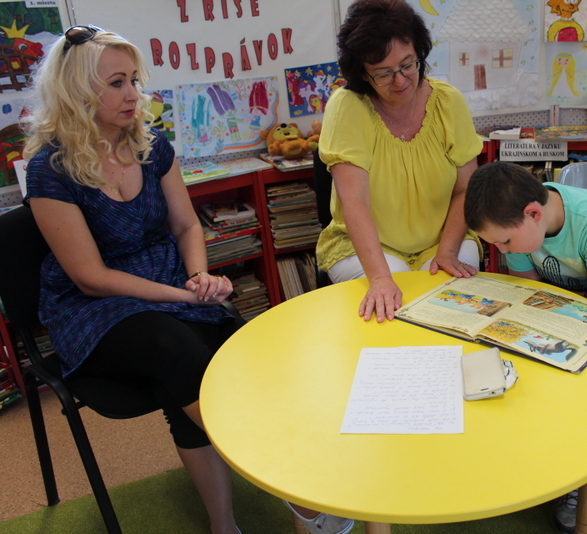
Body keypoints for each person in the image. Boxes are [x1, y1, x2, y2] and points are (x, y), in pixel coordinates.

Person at [22, 26, 352, 534]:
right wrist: (184, 293)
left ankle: (225, 524)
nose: (134, 94)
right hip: (95, 309)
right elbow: (91, 278)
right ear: (77, 91)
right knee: (172, 347)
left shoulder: (152, 145)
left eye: (134, 80)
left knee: (225, 350)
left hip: (167, 285)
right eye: (117, 83)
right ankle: (295, 485)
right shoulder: (51, 167)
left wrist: (199, 276)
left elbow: (186, 226)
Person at [464, 161, 587, 534]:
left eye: (504, 243)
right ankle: (529, 435)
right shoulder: (520, 226)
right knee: (520, 340)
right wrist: (578, 303)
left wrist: (578, 304)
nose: (500, 251)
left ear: (533, 214)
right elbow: (528, 294)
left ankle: (577, 469)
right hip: (571, 289)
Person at [316, 0, 485, 322]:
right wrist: (380, 278)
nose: (400, 80)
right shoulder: (347, 106)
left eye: (408, 65)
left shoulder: (448, 101)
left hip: (444, 238)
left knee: (451, 310)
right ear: (362, 73)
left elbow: (466, 189)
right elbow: (354, 201)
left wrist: (447, 250)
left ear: (419, 52)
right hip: (366, 247)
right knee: (393, 309)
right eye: (383, 73)